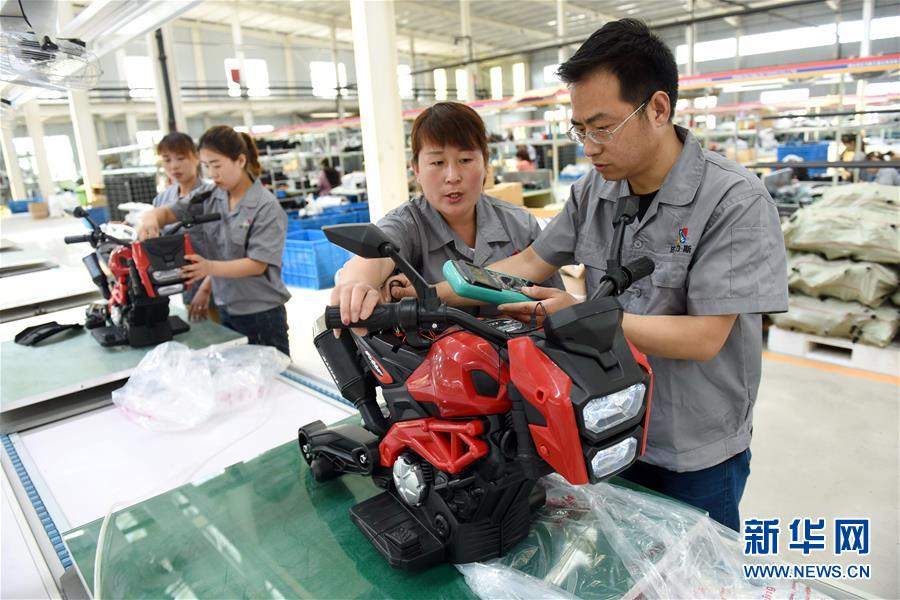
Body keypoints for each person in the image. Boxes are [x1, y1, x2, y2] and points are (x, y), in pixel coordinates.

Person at [397, 20, 788, 531]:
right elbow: (531, 263)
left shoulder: (733, 201)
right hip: (604, 427)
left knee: (699, 567)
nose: (589, 146)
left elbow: (704, 337)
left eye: (602, 128)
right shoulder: (594, 191)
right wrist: (426, 296)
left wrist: (577, 316)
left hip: (692, 449)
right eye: (579, 129)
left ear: (658, 109)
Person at [333, 101, 562, 326]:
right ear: (417, 169)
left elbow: (555, 308)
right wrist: (356, 283)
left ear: (485, 162)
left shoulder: (521, 225)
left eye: (465, 160)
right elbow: (375, 255)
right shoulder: (408, 224)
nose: (452, 176)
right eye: (437, 162)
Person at [139, 125, 292, 356]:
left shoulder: (265, 206)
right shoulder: (209, 196)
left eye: (217, 165)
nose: (212, 174)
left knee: (272, 375)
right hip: (226, 307)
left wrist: (208, 268)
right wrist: (152, 217)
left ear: (240, 160)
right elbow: (170, 212)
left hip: (261, 314)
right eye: (206, 166)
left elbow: (257, 264)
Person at [150, 132, 213, 310]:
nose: (174, 166)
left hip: (218, 284)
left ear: (196, 157)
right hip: (183, 288)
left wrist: (207, 288)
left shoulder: (211, 196)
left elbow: (226, 250)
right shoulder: (161, 201)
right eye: (167, 160)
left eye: (180, 158)